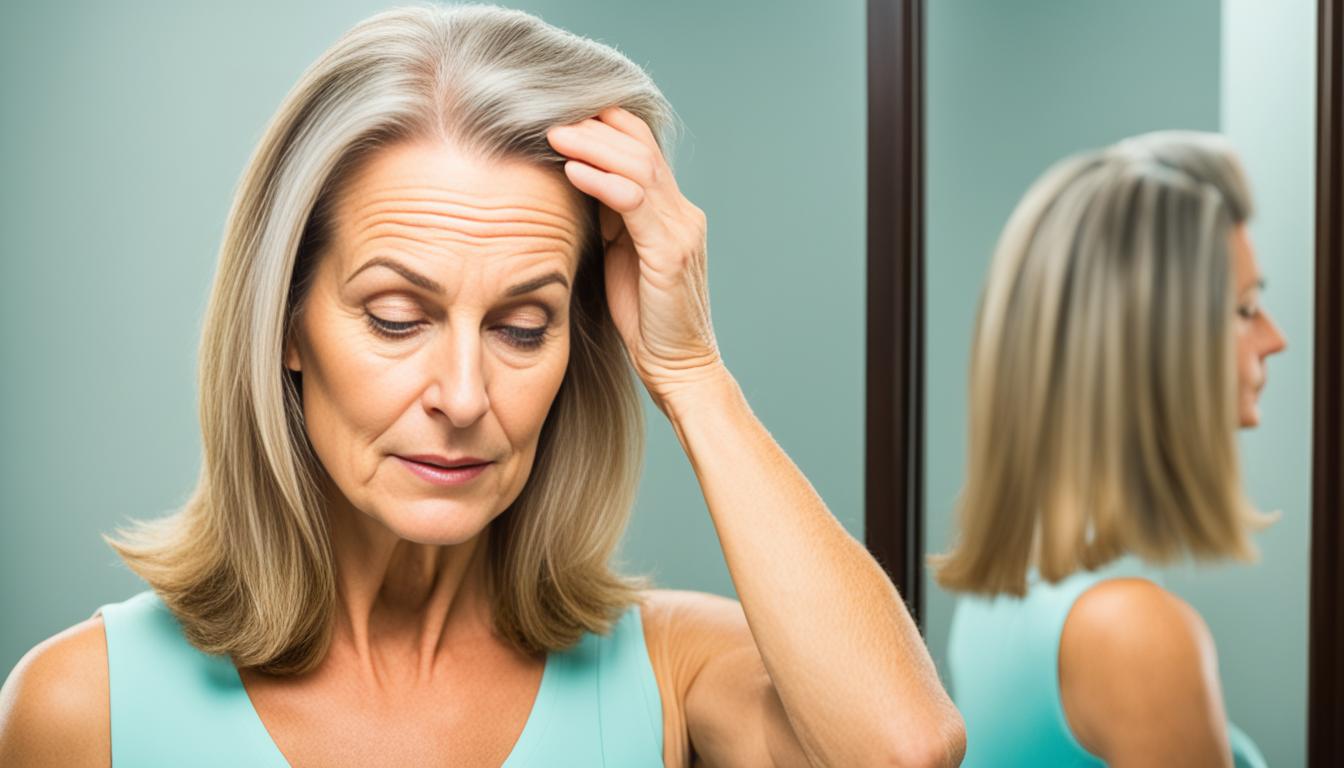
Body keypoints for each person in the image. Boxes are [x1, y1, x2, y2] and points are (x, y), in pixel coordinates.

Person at [0, 5, 964, 767]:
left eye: (521, 327)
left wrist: (691, 375)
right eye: (397, 317)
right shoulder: (82, 710)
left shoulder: (669, 671)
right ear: (287, 323)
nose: (463, 397)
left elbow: (903, 749)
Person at [935, 130, 1286, 768]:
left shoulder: (1013, 585)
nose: (1274, 338)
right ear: (1157, 349)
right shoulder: (1135, 634)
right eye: (1245, 309)